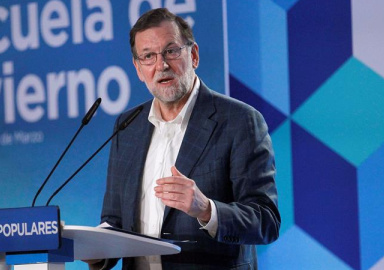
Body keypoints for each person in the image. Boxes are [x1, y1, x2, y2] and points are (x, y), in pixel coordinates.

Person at [89, 8, 280, 270]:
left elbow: (266, 221)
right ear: (138, 68)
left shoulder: (239, 121)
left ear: (194, 55)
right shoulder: (127, 126)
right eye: (148, 56)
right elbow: (114, 220)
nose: (162, 65)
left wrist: (207, 209)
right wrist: (96, 249)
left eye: (171, 51)